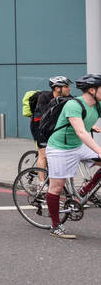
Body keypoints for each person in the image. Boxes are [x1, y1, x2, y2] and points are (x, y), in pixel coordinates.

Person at [44, 74, 101, 239]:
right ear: (92, 90)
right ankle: (55, 226)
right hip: (60, 149)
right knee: (56, 186)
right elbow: (81, 132)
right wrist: (98, 150)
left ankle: (83, 192)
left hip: (78, 146)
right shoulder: (73, 105)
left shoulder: (97, 105)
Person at [31, 76, 71, 175]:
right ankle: (41, 185)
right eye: (66, 86)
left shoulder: (69, 98)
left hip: (54, 128)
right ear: (57, 88)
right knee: (43, 154)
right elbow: (46, 115)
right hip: (39, 127)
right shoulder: (44, 97)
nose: (69, 89)